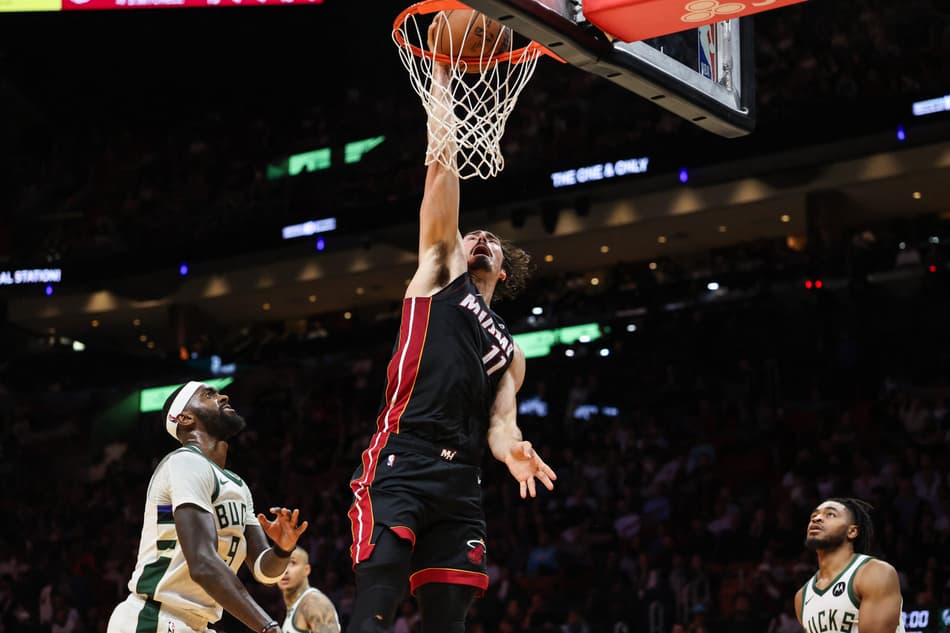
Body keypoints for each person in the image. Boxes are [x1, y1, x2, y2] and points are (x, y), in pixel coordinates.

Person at [344, 56, 556, 633]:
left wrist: (512, 449)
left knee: (449, 621)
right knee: (378, 596)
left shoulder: (512, 350)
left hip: (463, 477)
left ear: (503, 271)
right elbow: (441, 171)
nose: (479, 237)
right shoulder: (439, 274)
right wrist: (441, 83)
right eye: (472, 234)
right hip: (405, 454)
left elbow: (500, 422)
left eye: (490, 239)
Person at [107, 381, 309, 633]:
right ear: (185, 417)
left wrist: (282, 549)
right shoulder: (185, 462)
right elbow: (202, 563)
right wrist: (268, 627)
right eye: (208, 394)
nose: (223, 396)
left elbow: (265, 572)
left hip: (197, 624)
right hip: (155, 618)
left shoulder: (238, 486)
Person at [795, 497, 905, 633]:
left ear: (852, 531)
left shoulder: (874, 573)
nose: (816, 518)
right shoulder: (802, 597)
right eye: (814, 515)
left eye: (830, 514)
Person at [278, 546, 341, 633]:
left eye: (292, 563)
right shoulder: (295, 606)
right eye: (280, 564)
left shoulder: (313, 602)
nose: (285, 571)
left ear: (306, 570)